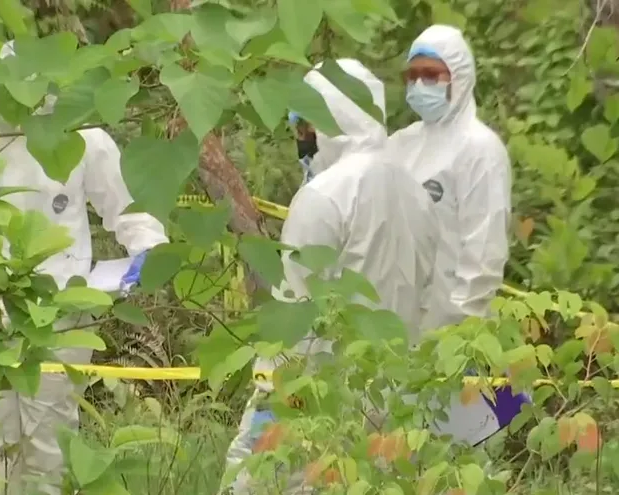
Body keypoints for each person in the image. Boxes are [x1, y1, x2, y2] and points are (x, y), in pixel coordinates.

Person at [222, 59, 441, 494]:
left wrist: (253, 442)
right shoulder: (418, 195)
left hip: (321, 401)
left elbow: (292, 326)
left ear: (330, 119)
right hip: (398, 401)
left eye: (305, 127)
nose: (302, 142)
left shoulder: (324, 197)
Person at [0, 41, 169, 495]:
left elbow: (127, 204)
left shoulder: (82, 135)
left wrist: (148, 248)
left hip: (60, 306)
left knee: (48, 439)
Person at [387, 25, 527, 445]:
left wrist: (458, 338)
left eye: (432, 75)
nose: (419, 86)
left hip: (456, 343)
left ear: (460, 76)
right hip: (400, 337)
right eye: (412, 77)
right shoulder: (401, 145)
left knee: (461, 462)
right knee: (400, 459)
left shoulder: (481, 150)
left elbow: (483, 254)